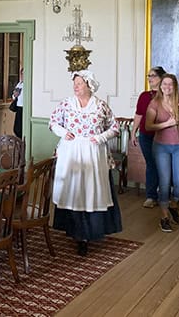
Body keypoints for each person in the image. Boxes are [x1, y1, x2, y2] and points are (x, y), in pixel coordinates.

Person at [50, 70, 121, 256]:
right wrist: (62, 132)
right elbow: (53, 122)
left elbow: (114, 127)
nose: (76, 86)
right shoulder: (66, 104)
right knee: (73, 190)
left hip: (92, 152)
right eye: (75, 83)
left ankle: (89, 233)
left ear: (89, 85)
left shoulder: (100, 106)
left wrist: (100, 137)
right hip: (70, 152)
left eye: (80, 83)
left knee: (90, 190)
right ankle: (75, 232)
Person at [144, 73, 179, 233]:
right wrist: (166, 123)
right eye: (164, 84)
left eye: (170, 84)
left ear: (175, 86)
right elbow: (148, 126)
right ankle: (164, 217)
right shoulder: (154, 103)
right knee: (164, 182)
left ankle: (173, 204)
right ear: (161, 86)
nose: (167, 87)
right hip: (161, 146)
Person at [131, 66, 167, 208]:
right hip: (146, 135)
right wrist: (134, 132)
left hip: (163, 136)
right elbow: (139, 115)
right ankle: (151, 196)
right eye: (148, 76)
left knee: (164, 165)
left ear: (161, 78)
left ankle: (164, 195)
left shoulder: (167, 95)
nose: (150, 79)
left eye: (153, 76)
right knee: (151, 164)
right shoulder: (144, 96)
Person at [8, 67, 24, 138]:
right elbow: (14, 96)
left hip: (24, 108)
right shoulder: (19, 84)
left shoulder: (29, 84)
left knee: (21, 129)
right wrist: (14, 95)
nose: (23, 75)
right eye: (22, 74)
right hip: (19, 107)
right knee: (16, 129)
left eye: (24, 74)